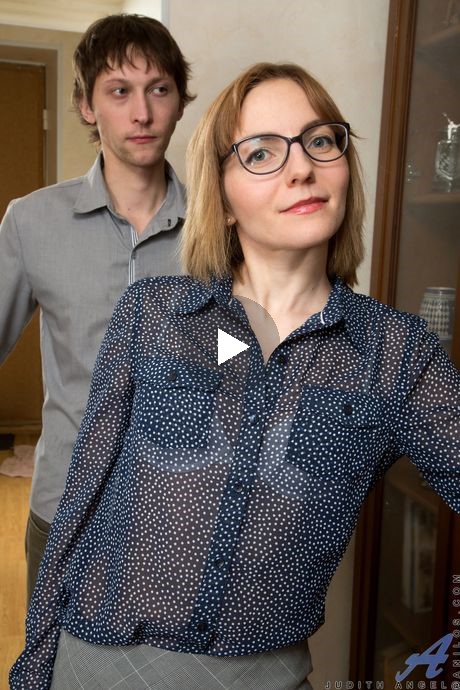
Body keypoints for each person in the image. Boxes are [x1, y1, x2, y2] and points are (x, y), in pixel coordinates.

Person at [10, 62, 459, 690]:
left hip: (266, 674)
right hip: (99, 660)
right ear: (220, 201)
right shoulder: (153, 314)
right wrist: (35, 667)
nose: (301, 168)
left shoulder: (397, 354)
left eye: (320, 141)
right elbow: (80, 500)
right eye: (262, 153)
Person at [0, 13, 194, 600]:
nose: (142, 113)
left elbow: (249, 354)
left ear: (179, 102)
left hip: (183, 512)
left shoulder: (223, 228)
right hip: (65, 507)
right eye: (119, 92)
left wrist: (199, 348)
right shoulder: (31, 221)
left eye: (158, 89)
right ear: (87, 106)